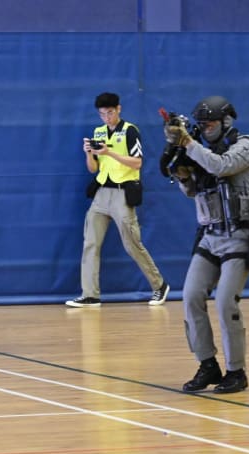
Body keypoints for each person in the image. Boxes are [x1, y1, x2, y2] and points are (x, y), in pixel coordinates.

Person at [164, 95, 249, 394]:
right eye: (201, 124)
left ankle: (236, 371)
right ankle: (207, 364)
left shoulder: (245, 147)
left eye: (209, 123)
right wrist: (183, 174)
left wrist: (187, 143)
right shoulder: (202, 151)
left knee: (225, 302)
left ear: (226, 121)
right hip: (210, 236)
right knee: (190, 297)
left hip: (240, 235)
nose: (205, 128)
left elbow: (221, 166)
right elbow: (193, 191)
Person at [66, 92, 169, 308]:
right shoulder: (98, 132)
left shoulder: (130, 130)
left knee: (132, 244)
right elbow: (93, 168)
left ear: (119, 109)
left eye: (110, 113)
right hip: (102, 192)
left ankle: (159, 285)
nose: (107, 118)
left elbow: (137, 163)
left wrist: (109, 152)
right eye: (102, 114)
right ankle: (90, 294)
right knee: (90, 243)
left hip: (123, 193)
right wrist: (88, 153)